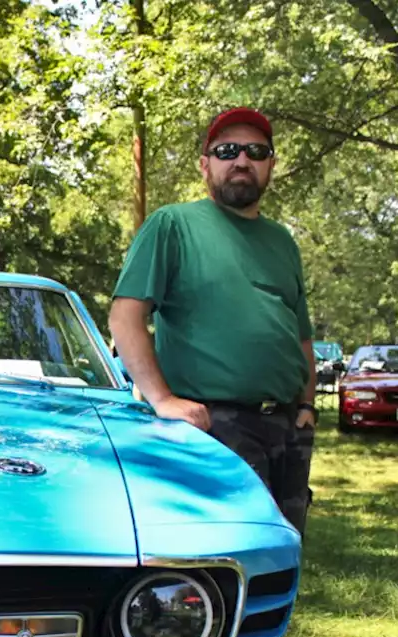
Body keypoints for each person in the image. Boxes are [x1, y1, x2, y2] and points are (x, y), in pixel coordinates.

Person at [107, 107, 317, 536]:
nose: (242, 160)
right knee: (225, 556)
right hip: (213, 426)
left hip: (287, 428)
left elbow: (300, 336)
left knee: (283, 554)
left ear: (270, 164)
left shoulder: (282, 241)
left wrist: (308, 408)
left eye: (256, 151)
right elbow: (125, 317)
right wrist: (162, 400)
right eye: (227, 150)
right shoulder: (172, 225)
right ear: (206, 166)